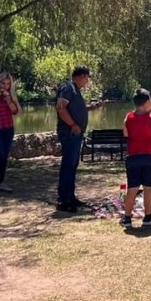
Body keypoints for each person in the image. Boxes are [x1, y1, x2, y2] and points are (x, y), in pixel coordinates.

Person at [55, 65, 104, 213]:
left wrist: (91, 107)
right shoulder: (68, 88)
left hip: (76, 133)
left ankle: (71, 196)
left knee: (73, 165)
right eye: (87, 78)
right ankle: (63, 200)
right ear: (81, 76)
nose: (87, 82)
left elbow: (75, 108)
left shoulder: (76, 90)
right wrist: (72, 124)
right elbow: (60, 107)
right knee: (68, 165)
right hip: (69, 133)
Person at [121, 87, 151, 227]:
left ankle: (127, 218)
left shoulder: (128, 117)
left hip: (133, 157)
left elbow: (126, 134)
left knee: (132, 188)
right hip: (149, 158)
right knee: (148, 187)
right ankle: (147, 217)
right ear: (147, 103)